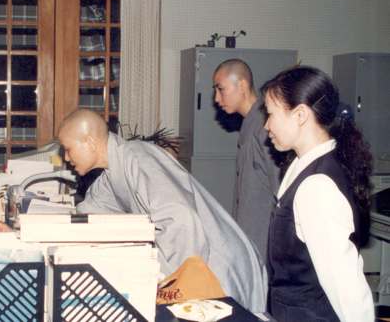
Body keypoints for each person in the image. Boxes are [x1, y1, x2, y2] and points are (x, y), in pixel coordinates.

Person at [57, 109, 267, 312]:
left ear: (90, 142)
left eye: (68, 149)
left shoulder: (137, 157)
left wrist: (162, 282)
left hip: (215, 265)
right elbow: (91, 210)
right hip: (198, 261)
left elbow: (181, 220)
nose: (66, 158)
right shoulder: (112, 171)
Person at [261, 66, 374, 321]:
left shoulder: (316, 187)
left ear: (300, 115)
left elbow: (346, 287)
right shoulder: (305, 166)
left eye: (270, 114)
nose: (266, 125)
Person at [213, 59, 281, 259]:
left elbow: (281, 191)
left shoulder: (264, 126)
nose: (216, 98)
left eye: (221, 89)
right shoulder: (251, 123)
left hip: (265, 243)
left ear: (242, 85)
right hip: (250, 238)